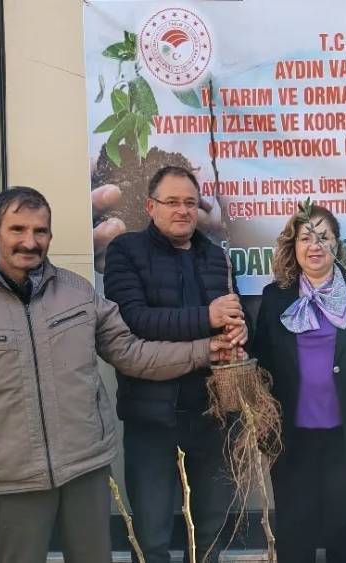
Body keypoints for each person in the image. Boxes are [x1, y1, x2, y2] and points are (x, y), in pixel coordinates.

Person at [0, 187, 231, 563]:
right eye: (17, 229)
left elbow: (133, 354)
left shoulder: (78, 294)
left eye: (40, 231)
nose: (30, 242)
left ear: (50, 234)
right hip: (12, 480)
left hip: (85, 471)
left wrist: (205, 350)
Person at [103, 166, 246, 563]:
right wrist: (209, 317)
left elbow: (232, 314)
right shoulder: (125, 251)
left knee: (209, 530)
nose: (182, 210)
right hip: (153, 419)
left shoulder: (216, 257)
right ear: (151, 206)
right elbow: (133, 320)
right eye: (172, 202)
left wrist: (238, 330)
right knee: (151, 536)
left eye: (189, 203)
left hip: (213, 415)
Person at [252, 204, 346, 563]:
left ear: (336, 245)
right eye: (305, 238)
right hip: (290, 438)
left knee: (345, 532)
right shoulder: (275, 298)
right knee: (294, 533)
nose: (314, 246)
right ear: (294, 246)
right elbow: (261, 362)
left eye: (323, 237)